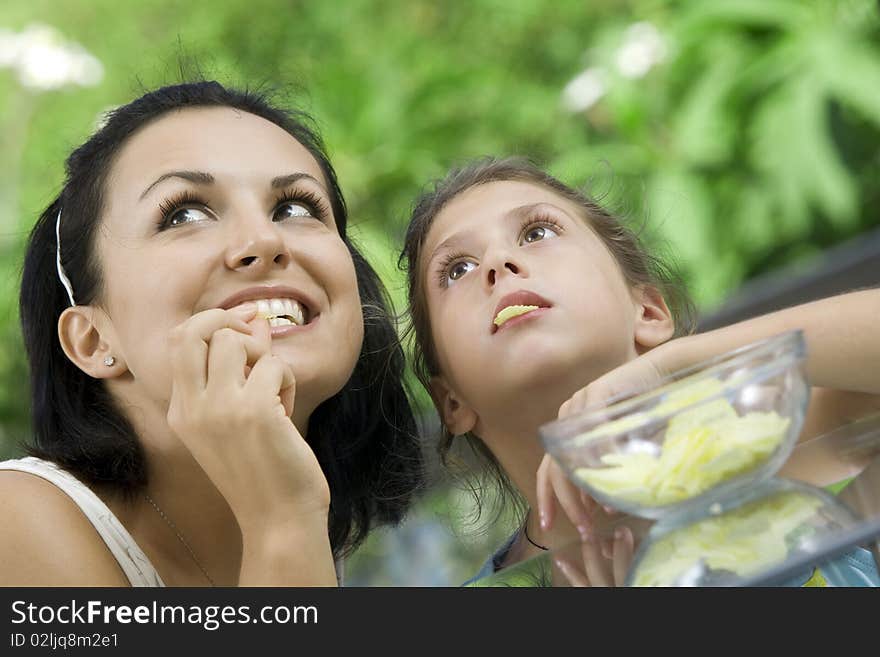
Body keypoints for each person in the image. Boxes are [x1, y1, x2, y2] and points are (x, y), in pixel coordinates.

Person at [0, 81, 424, 586]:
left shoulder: (317, 535)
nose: (264, 241)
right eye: (184, 213)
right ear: (93, 340)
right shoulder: (17, 523)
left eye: (295, 208)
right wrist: (280, 517)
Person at [399, 156, 880, 586]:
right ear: (451, 403)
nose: (499, 264)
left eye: (537, 233)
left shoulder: (769, 453)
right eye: (457, 269)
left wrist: (679, 362)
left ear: (648, 312)